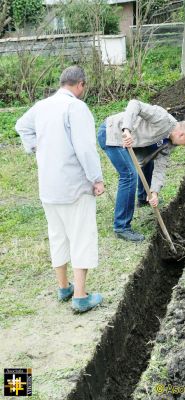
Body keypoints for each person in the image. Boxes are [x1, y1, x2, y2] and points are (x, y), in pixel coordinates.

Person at [15, 66, 105, 313]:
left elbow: (21, 126)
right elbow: (85, 148)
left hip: (48, 185)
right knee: (81, 235)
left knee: (58, 235)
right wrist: (97, 178)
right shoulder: (76, 107)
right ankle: (80, 296)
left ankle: (63, 287)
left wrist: (37, 147)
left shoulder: (42, 106)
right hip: (74, 185)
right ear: (80, 85)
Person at [97, 99, 185, 242]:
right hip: (113, 133)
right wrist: (127, 130)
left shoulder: (170, 143)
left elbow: (160, 167)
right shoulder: (162, 118)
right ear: (182, 135)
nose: (184, 146)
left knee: (150, 158)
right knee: (129, 175)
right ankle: (122, 227)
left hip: (135, 142)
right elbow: (134, 104)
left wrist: (154, 192)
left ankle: (144, 197)